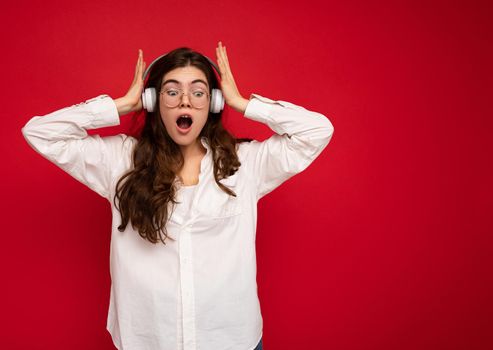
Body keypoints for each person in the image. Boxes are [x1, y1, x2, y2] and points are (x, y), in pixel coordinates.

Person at [21, 41, 334, 350]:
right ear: (153, 101)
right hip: (149, 340)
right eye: (172, 92)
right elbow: (40, 133)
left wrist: (244, 103)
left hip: (232, 339)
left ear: (213, 102)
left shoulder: (246, 164)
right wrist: (119, 105)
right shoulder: (118, 161)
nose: (185, 101)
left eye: (198, 92)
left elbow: (317, 131)